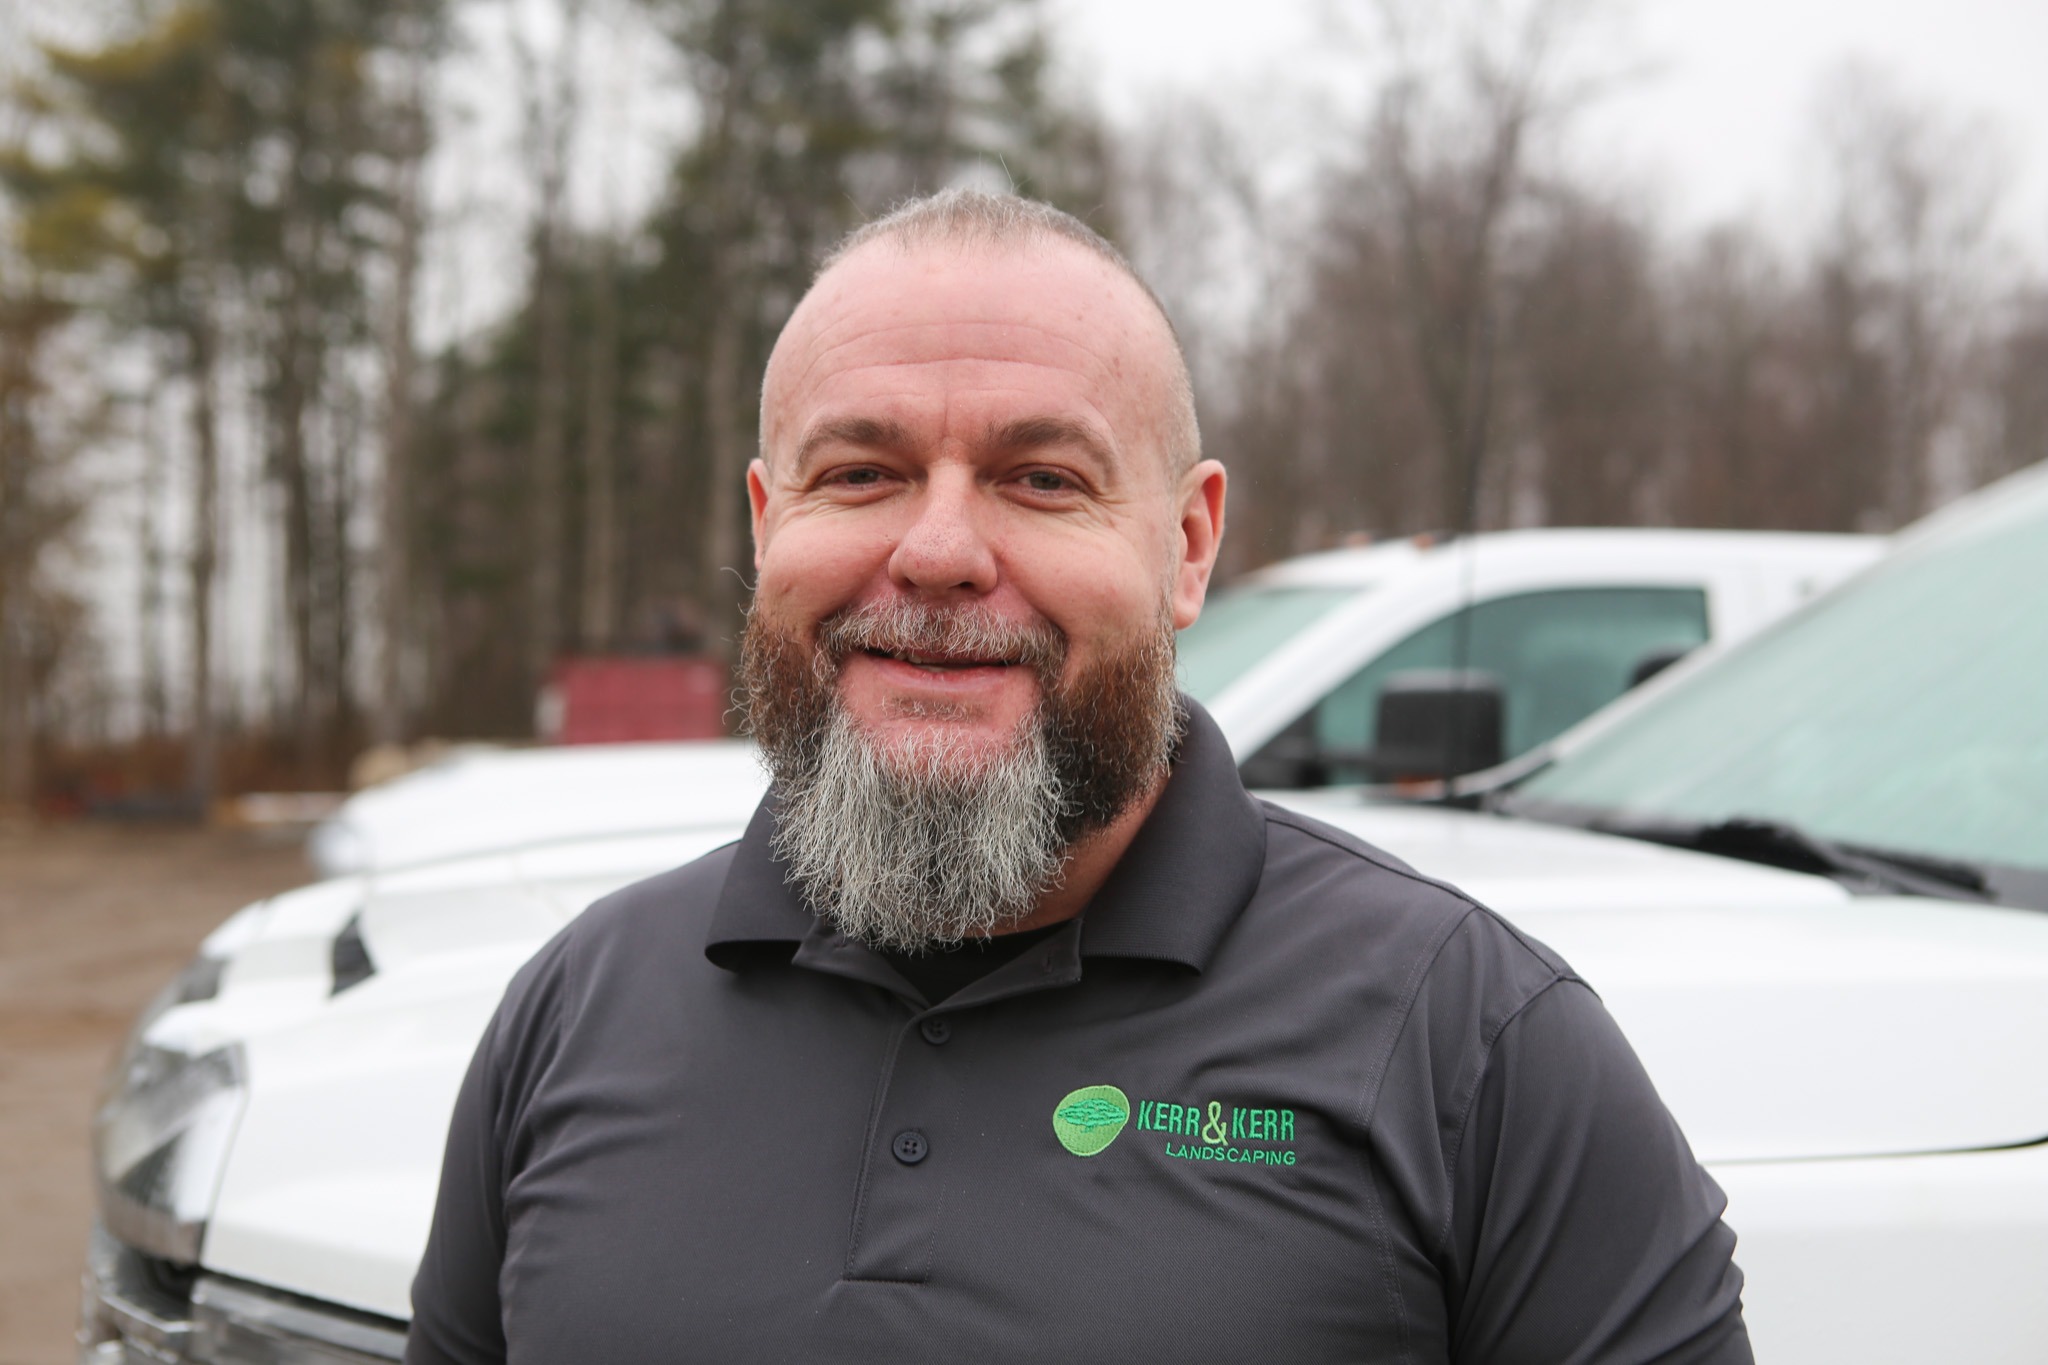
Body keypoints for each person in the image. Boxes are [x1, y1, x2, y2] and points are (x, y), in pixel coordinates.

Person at [406, 189, 1751, 1364]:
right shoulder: (576, 1011)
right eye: (861, 472)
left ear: (1188, 544)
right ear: (768, 526)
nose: (938, 553)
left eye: (1042, 479)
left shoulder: (1474, 1039)